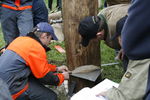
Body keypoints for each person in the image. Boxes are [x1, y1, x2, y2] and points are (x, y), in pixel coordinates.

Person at [0, 22, 70, 100]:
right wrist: (62, 77)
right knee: (51, 97)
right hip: (10, 89)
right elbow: (45, 76)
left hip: (5, 82)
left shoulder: (21, 39)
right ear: (44, 36)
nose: (50, 42)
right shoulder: (36, 47)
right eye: (50, 38)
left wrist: (56, 69)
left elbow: (38, 65)